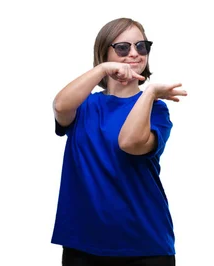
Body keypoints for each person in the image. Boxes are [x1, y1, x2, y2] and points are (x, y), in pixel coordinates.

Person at [51, 17, 187, 266]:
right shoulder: (84, 105)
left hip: (144, 245)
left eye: (141, 46)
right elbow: (60, 106)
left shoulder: (156, 110)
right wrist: (103, 69)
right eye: (123, 47)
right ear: (104, 53)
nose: (134, 53)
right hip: (83, 244)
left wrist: (150, 93)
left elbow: (130, 143)